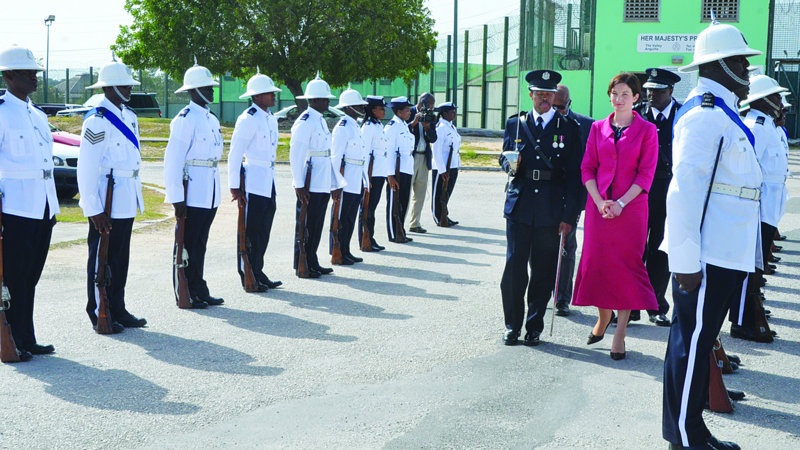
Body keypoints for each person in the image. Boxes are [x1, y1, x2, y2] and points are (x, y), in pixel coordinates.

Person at [661, 21, 762, 450]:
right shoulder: (704, 115)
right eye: (740, 60)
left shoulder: (722, 112)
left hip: (720, 252)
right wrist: (685, 265)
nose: (746, 67)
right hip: (703, 257)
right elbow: (684, 193)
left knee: (698, 345)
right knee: (690, 346)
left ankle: (691, 429)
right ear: (719, 65)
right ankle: (686, 437)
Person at [572, 72, 658, 360]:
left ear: (636, 97)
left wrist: (620, 202)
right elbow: (587, 168)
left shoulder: (647, 131)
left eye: (625, 94)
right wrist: (599, 202)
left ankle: (620, 331)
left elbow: (646, 175)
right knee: (597, 264)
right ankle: (603, 316)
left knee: (625, 268)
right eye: (614, 93)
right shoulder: (598, 128)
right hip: (600, 210)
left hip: (631, 209)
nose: (618, 99)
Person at [499, 69, 582, 346]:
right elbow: (505, 155)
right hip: (520, 204)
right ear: (531, 95)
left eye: (549, 93)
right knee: (514, 268)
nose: (544, 98)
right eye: (539, 93)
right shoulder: (516, 124)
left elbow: (574, 177)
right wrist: (508, 163)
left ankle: (534, 326)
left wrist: (570, 216)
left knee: (543, 271)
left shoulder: (568, 129)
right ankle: (512, 325)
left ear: (555, 95)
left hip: (550, 209)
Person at [78, 58, 147, 333]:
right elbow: (87, 166)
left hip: (126, 196)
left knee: (120, 257)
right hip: (106, 199)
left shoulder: (129, 115)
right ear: (109, 88)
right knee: (101, 257)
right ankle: (99, 310)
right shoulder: (97, 120)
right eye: (123, 84)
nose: (129, 88)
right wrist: (92, 208)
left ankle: (117, 307)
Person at [0, 46, 59, 361]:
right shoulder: (1, 111)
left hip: (43, 205)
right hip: (15, 208)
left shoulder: (37, 115)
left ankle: (27, 336)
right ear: (9, 76)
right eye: (28, 73)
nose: (35, 77)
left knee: (31, 276)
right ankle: (9, 339)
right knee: (14, 277)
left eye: (35, 72)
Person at [728, 74, 789, 343]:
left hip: (769, 204)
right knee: (749, 267)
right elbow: (749, 169)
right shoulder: (755, 125)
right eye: (775, 96)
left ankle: (750, 316)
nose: (779, 101)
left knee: (757, 266)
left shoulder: (766, 126)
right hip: (759, 204)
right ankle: (742, 321)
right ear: (763, 100)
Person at [164, 62, 225, 308]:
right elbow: (172, 161)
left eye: (211, 87)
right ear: (193, 90)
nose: (212, 91)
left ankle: (200, 287)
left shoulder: (211, 118)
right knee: (187, 244)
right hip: (191, 191)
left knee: (200, 242)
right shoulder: (184, 119)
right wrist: (176, 197)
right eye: (206, 87)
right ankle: (186, 291)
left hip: (208, 190)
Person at [634, 68, 683, 327]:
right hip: (639, 189)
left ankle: (656, 305)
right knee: (635, 246)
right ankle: (630, 304)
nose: (651, 95)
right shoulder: (637, 115)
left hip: (670, 189)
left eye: (658, 91)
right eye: (649, 90)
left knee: (661, 249)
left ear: (671, 91)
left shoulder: (683, 114)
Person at [228, 71, 283, 292]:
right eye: (270, 93)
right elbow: (235, 153)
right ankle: (247, 273)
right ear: (257, 96)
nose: (274, 96)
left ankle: (258, 271)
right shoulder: (248, 118)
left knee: (263, 230)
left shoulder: (270, 118)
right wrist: (234, 185)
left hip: (267, 181)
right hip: (252, 181)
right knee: (250, 232)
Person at [289, 74, 346, 277]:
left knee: (317, 223)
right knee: (306, 224)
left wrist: (333, 183)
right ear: (313, 100)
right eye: (324, 98)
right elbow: (296, 154)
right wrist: (298, 184)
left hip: (321, 180)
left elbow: (327, 155)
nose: (328, 101)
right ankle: (302, 263)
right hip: (309, 181)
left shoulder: (320, 120)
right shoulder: (305, 121)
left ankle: (312, 259)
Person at [552, 84, 593, 317]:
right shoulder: (540, 120)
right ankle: (543, 290)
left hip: (572, 195)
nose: (558, 112)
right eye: (553, 107)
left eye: (562, 107)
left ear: (569, 103)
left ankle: (562, 298)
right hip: (545, 194)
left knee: (566, 246)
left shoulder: (586, 125)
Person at [330, 87, 369, 264]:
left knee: (350, 218)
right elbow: (336, 158)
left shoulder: (356, 126)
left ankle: (346, 249)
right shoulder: (343, 127)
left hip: (356, 179)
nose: (361, 108)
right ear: (347, 108)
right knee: (341, 218)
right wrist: (335, 184)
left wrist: (365, 180)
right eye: (357, 105)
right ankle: (337, 251)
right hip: (345, 181)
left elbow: (361, 157)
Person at [358, 96, 391, 252]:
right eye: (381, 109)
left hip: (379, 173)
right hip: (371, 175)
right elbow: (364, 154)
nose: (384, 111)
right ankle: (365, 239)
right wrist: (365, 179)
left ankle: (370, 237)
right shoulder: (368, 127)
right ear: (372, 110)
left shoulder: (377, 125)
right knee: (367, 208)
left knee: (372, 208)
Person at [384, 96, 415, 243]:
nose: (409, 112)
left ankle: (400, 229)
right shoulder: (392, 127)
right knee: (394, 202)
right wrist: (390, 175)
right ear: (398, 111)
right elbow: (389, 152)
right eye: (407, 110)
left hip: (406, 168)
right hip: (396, 171)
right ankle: (393, 232)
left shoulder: (404, 125)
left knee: (403, 201)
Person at [407, 93, 437, 233]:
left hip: (423, 157)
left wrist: (427, 127)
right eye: (430, 104)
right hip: (410, 158)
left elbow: (433, 138)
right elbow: (403, 131)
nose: (432, 107)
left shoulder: (431, 117)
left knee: (420, 194)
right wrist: (413, 123)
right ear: (423, 102)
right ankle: (399, 223)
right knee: (405, 193)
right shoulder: (409, 112)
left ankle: (415, 223)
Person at [430, 102, 460, 226]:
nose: (454, 113)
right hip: (442, 166)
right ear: (445, 113)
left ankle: (444, 214)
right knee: (438, 193)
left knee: (447, 192)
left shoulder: (452, 127)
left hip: (452, 164)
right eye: (452, 111)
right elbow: (436, 150)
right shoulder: (441, 127)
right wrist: (442, 170)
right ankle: (438, 217)